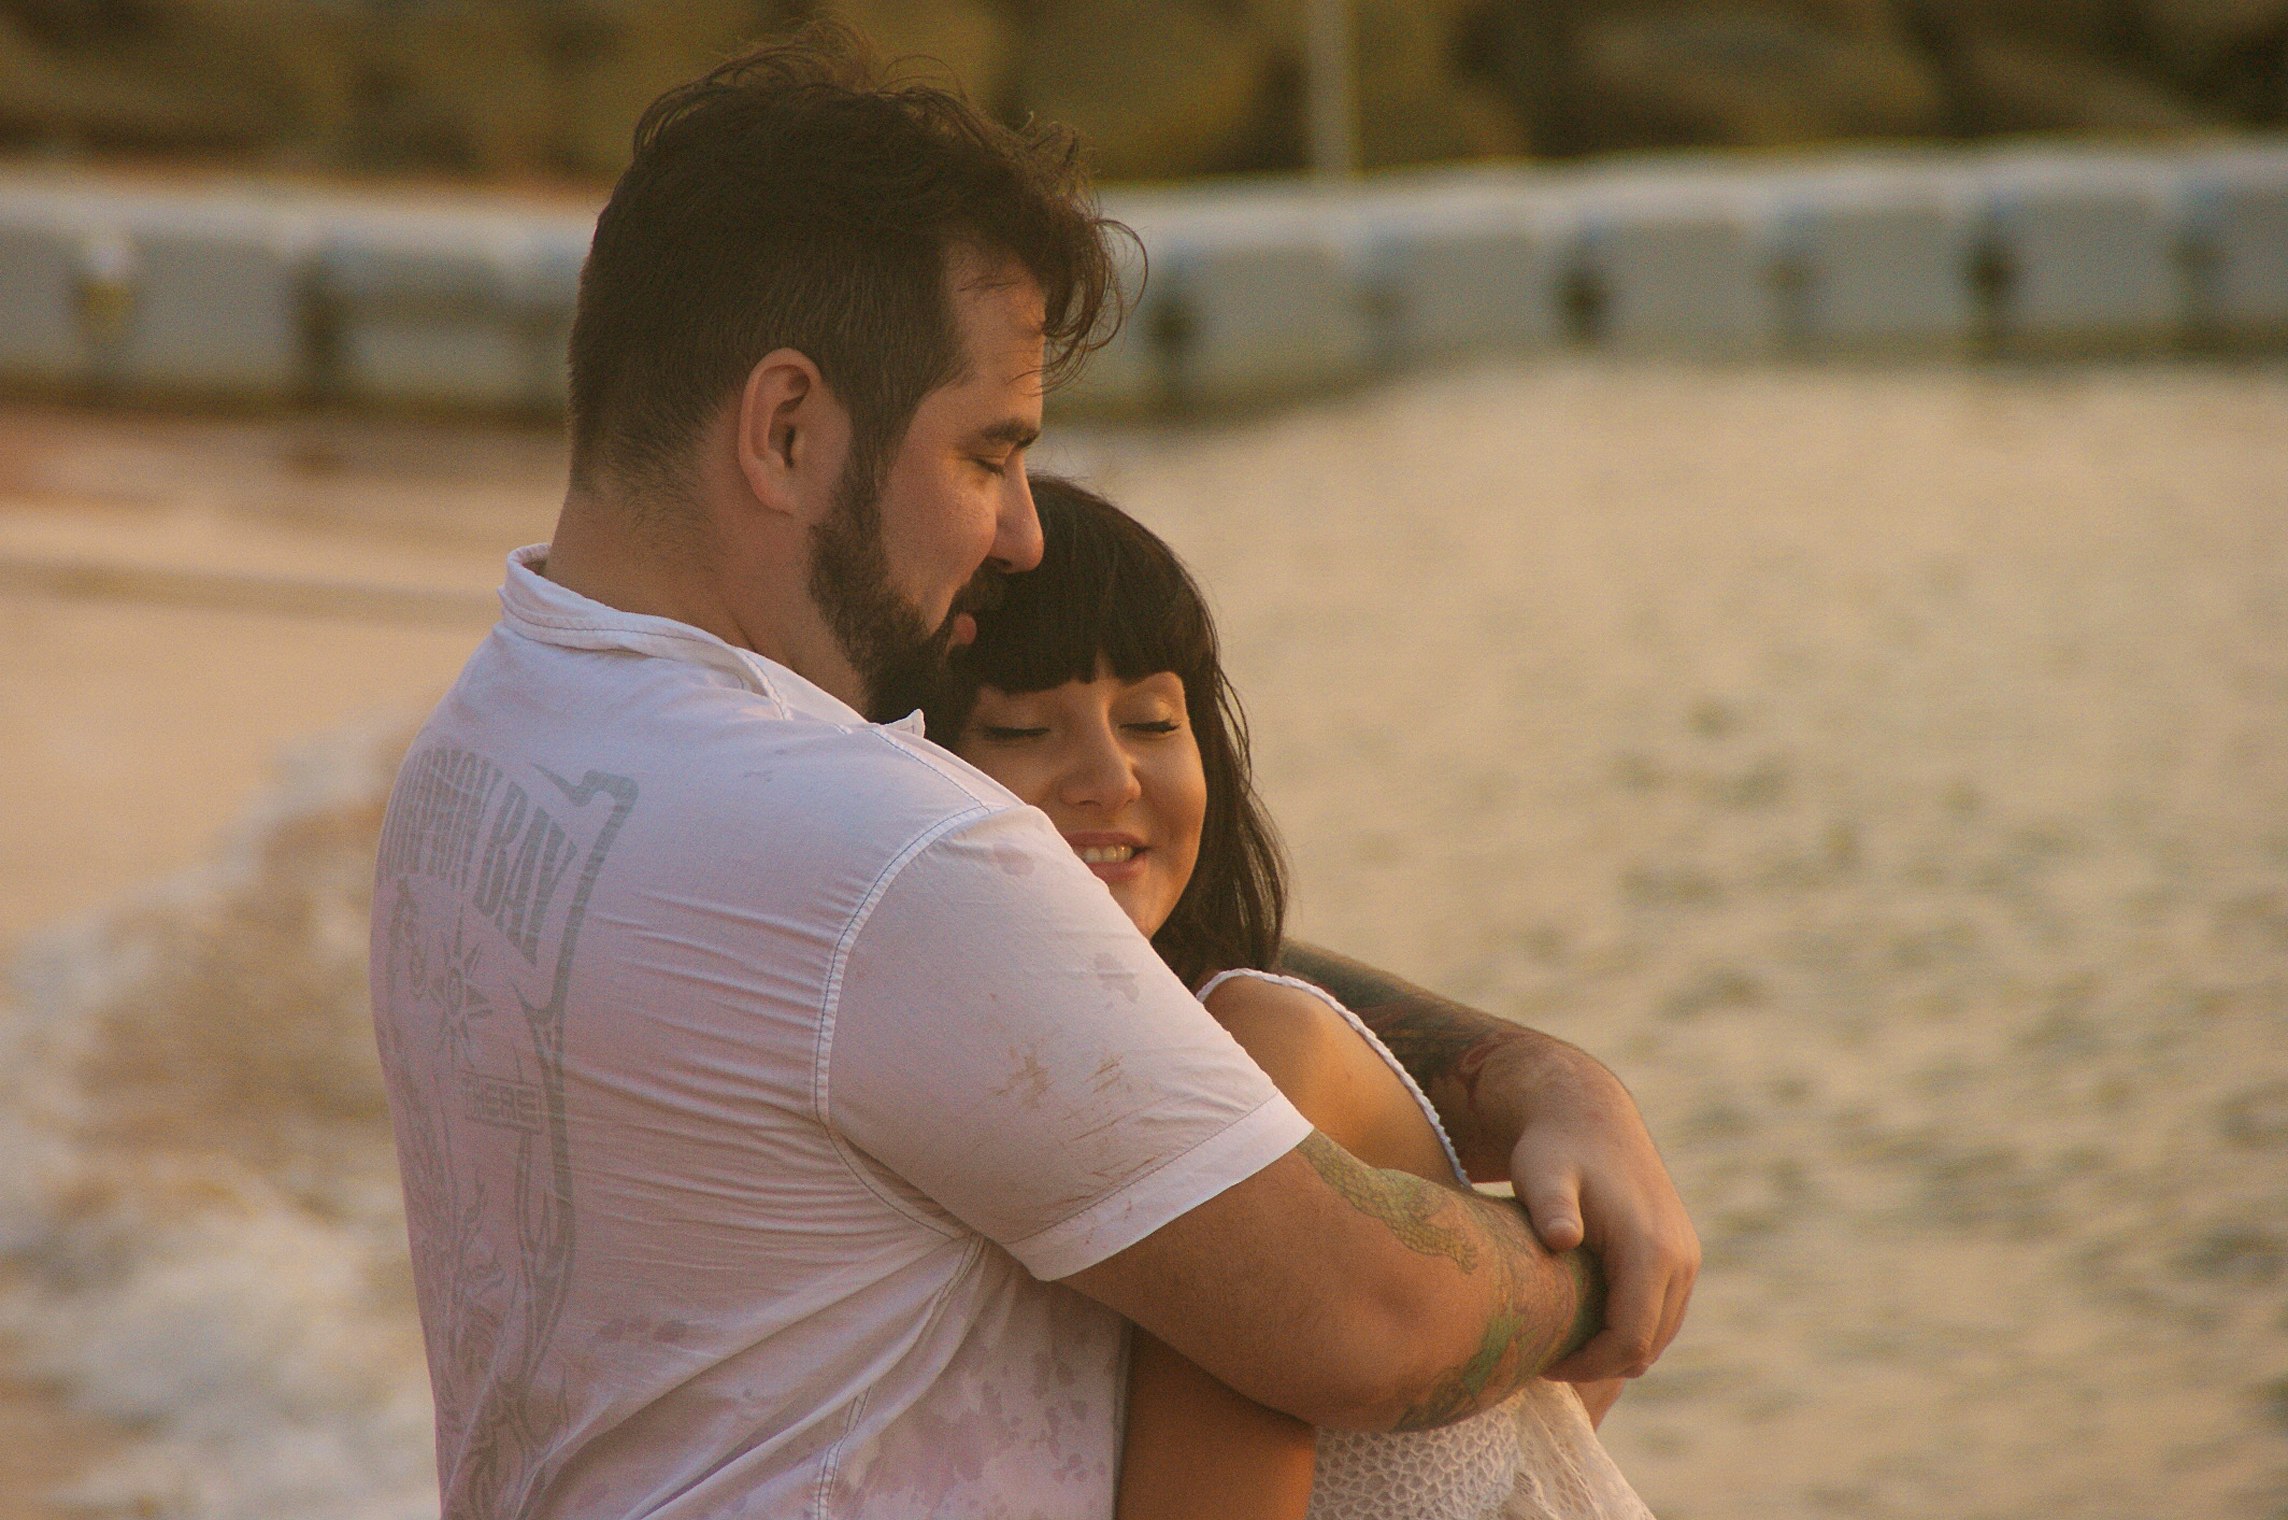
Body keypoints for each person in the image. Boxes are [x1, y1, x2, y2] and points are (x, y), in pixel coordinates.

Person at [368, 28, 1696, 1519]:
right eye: (986, 455)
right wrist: (1594, 1265)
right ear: (787, 430)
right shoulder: (870, 854)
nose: (1023, 534)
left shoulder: (488, 753)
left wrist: (1539, 1079)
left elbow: (1042, 958)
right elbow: (1363, 1318)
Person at [927, 478, 1658, 1520]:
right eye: (1020, 729)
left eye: (1151, 719)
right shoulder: (977, 1075)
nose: (1110, 776)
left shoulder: (1263, 1044)